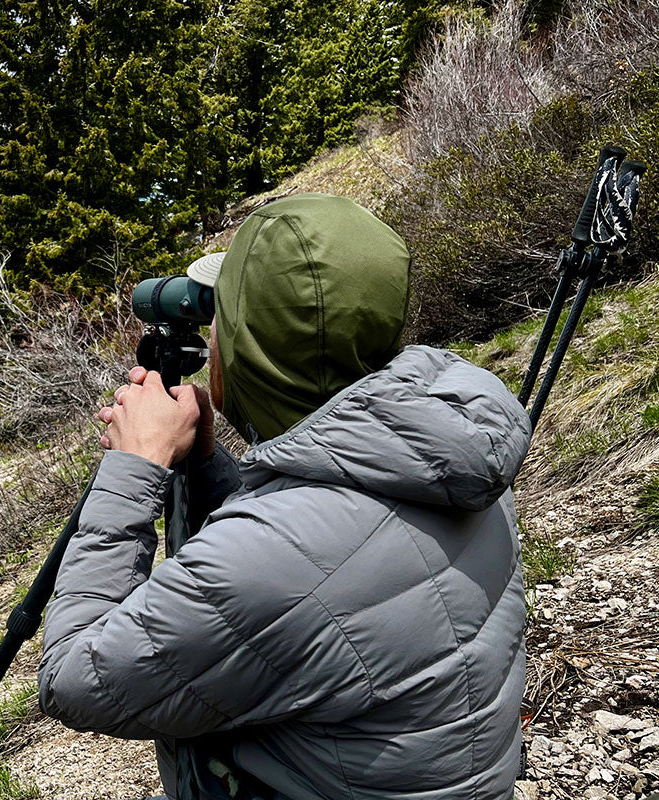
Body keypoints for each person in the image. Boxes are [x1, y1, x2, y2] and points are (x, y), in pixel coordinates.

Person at [37, 193, 531, 800]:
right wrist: (206, 463)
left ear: (254, 351)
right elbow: (298, 564)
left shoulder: (270, 562)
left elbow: (76, 679)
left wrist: (134, 466)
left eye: (224, 317)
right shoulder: (447, 453)